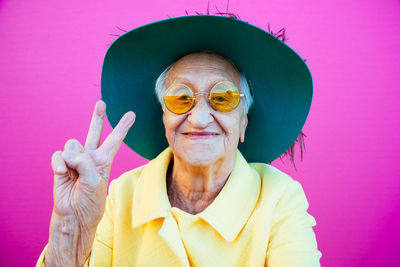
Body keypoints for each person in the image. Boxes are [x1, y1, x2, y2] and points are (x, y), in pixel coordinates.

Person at [37, 15, 321, 266]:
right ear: (164, 118)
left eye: (222, 98)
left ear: (243, 121)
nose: (198, 118)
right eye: (181, 98)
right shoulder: (123, 194)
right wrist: (69, 231)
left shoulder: (278, 197)